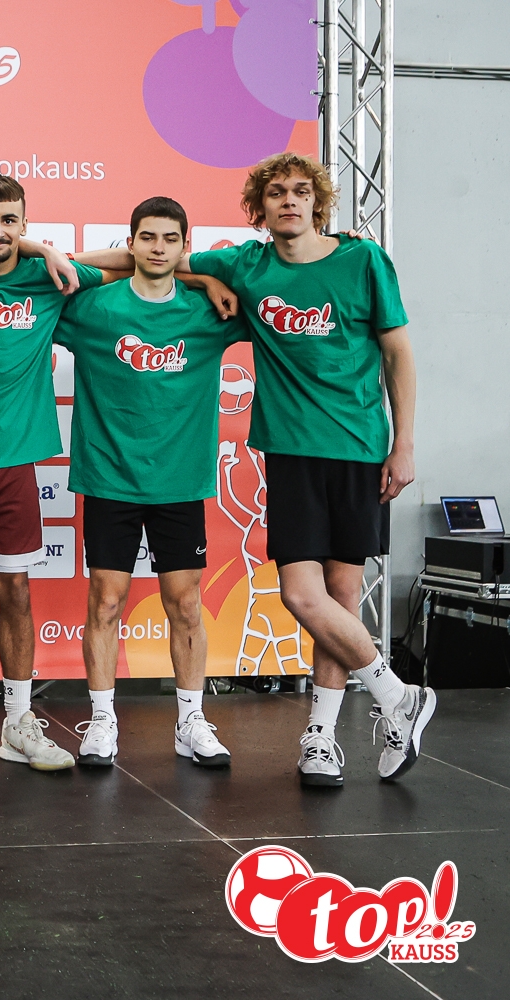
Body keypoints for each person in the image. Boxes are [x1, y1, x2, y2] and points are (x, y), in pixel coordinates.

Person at [77, 152, 426, 787]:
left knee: (341, 598)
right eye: (276, 193)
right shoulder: (246, 265)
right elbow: (156, 260)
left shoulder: (363, 259)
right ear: (259, 208)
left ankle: (322, 738)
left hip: (360, 448)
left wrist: (404, 444)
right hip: (289, 451)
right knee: (303, 596)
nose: (289, 200)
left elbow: (398, 350)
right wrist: (62, 259)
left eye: (301, 191)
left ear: (317, 201)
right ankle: (397, 694)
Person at [0, 175, 232, 777]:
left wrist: (199, 276)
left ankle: (19, 723)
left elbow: (132, 262)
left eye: (10, 222)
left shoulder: (48, 281)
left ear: (25, 225)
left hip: (17, 461)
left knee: (17, 594)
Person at [54, 197, 244, 767]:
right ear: (130, 241)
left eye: (170, 239)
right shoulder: (94, 308)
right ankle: (102, 720)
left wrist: (204, 278)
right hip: (109, 477)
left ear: (184, 246)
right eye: (148, 237)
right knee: (106, 601)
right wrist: (197, 272)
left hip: (179, 482)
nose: (158, 248)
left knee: (185, 604)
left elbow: (275, 289)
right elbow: (48, 274)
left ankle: (191, 721)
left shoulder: (209, 311)